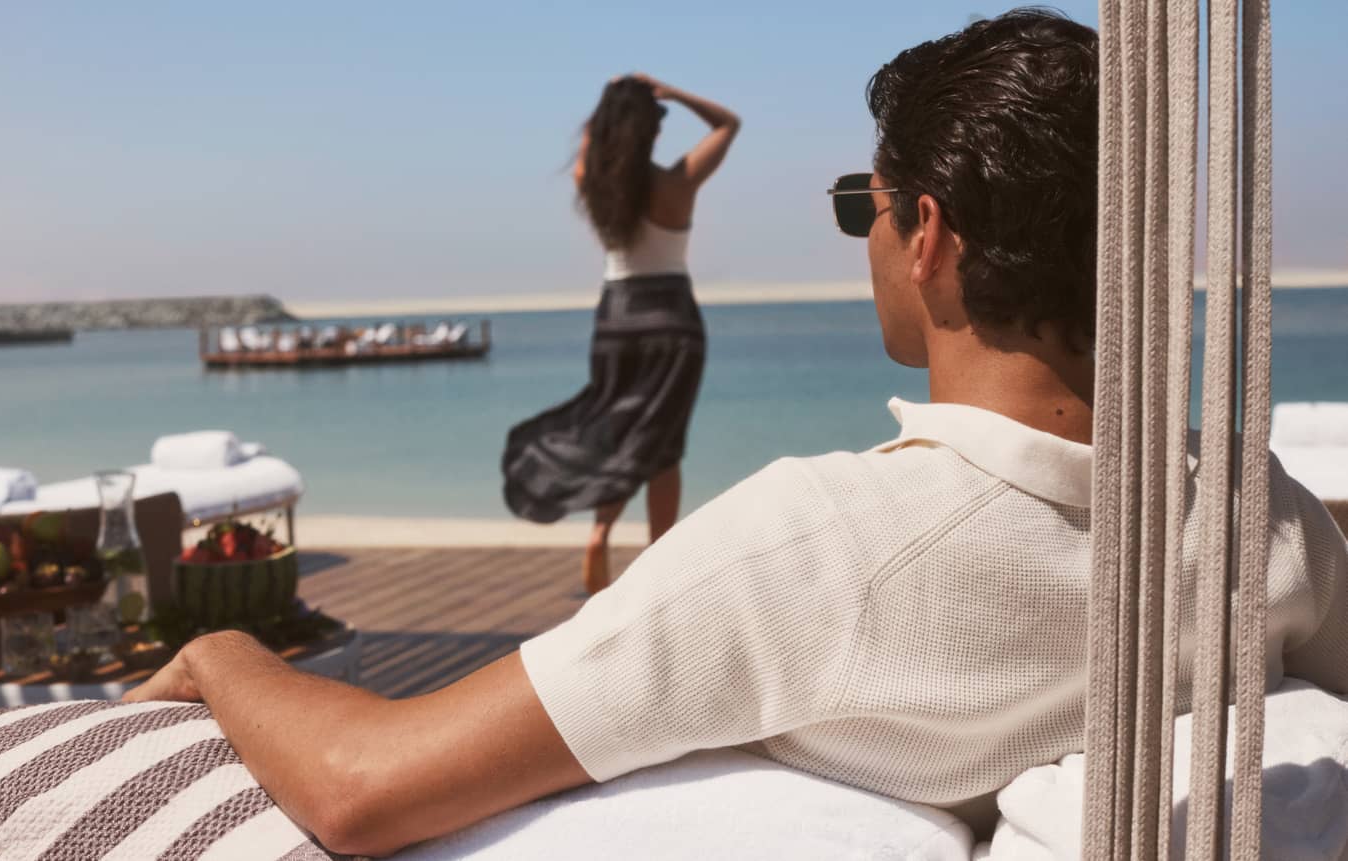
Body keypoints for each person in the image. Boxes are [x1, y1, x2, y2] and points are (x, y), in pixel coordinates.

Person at [125, 9, 1348, 855]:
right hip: (674, 331)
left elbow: (362, 789)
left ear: (926, 235)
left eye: (862, 208)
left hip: (630, 336)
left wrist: (226, 655)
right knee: (652, 446)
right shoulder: (1265, 518)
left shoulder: (813, 553)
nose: (864, 239)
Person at [500, 73, 740, 594]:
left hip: (617, 318)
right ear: (654, 130)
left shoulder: (594, 184)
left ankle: (601, 532)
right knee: (664, 445)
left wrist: (609, 105)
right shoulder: (677, 182)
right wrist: (673, 92)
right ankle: (660, 559)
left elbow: (592, 148)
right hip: (672, 320)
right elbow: (728, 124)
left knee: (618, 432)